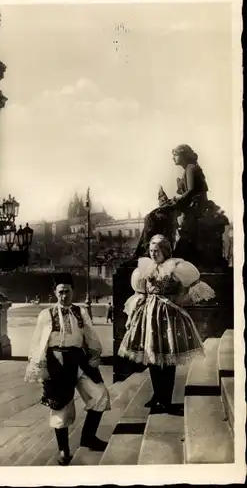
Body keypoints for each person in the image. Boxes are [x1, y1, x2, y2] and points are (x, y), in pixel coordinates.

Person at [118, 234, 215, 413]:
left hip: (169, 317)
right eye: (152, 251)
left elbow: (196, 287)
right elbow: (140, 293)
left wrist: (181, 299)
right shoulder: (145, 268)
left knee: (167, 360)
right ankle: (158, 395)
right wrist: (133, 315)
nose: (153, 254)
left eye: (157, 251)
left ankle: (166, 399)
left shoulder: (176, 267)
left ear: (165, 252)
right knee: (153, 358)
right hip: (148, 316)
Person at [24, 273, 111, 466]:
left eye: (68, 291)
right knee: (60, 405)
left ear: (73, 291)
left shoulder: (80, 313)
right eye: (61, 292)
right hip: (57, 361)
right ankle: (63, 449)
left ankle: (88, 438)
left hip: (79, 359)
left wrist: (95, 354)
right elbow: (37, 341)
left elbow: (90, 335)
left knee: (100, 395)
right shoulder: (46, 315)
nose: (64, 296)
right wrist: (40, 366)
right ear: (55, 293)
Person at [129, 144, 209, 263]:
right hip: (189, 206)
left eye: (175, 155)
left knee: (152, 217)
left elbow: (191, 191)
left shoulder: (190, 168)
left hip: (192, 208)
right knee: (155, 216)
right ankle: (147, 251)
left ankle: (145, 252)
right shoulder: (190, 168)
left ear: (183, 156)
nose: (173, 158)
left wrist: (174, 202)